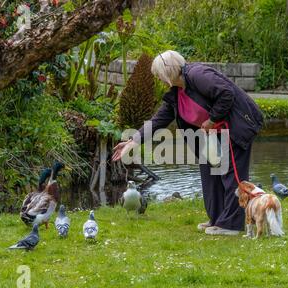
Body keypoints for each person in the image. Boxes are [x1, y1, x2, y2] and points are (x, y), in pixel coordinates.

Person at [112, 50, 263, 235]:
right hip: (212, 136)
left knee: (232, 176)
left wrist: (212, 120)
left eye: (158, 74)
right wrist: (132, 142)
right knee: (210, 173)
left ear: (168, 71)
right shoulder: (176, 93)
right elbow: (158, 120)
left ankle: (231, 225)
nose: (157, 78)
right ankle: (217, 219)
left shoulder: (197, 75)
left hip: (233, 128)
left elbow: (226, 93)